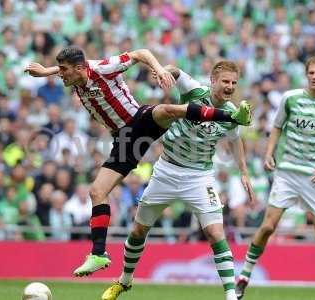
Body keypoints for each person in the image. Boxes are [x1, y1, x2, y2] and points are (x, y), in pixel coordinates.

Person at [24, 45, 252, 276]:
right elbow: (75, 67)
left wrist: (159, 69)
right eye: (59, 69)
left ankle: (232, 116)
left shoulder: (103, 68)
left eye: (63, 70)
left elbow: (140, 53)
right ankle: (98, 254)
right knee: (96, 192)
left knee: (168, 110)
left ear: (79, 68)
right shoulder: (79, 74)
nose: (60, 73)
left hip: (138, 121)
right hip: (124, 140)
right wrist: (46, 71)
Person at [101, 61, 256, 300]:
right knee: (139, 229)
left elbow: (236, 141)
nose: (230, 86)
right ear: (213, 81)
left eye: (234, 83)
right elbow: (175, 70)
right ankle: (124, 281)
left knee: (216, 233)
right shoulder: (195, 91)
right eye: (226, 81)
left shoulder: (233, 114)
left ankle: (231, 296)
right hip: (166, 171)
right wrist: (164, 73)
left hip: (199, 177)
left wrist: (244, 171)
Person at [235, 56, 315, 300]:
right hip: (287, 172)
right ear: (306, 74)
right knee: (267, 226)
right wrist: (269, 153)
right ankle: (243, 277)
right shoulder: (291, 98)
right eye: (311, 73)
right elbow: (277, 126)